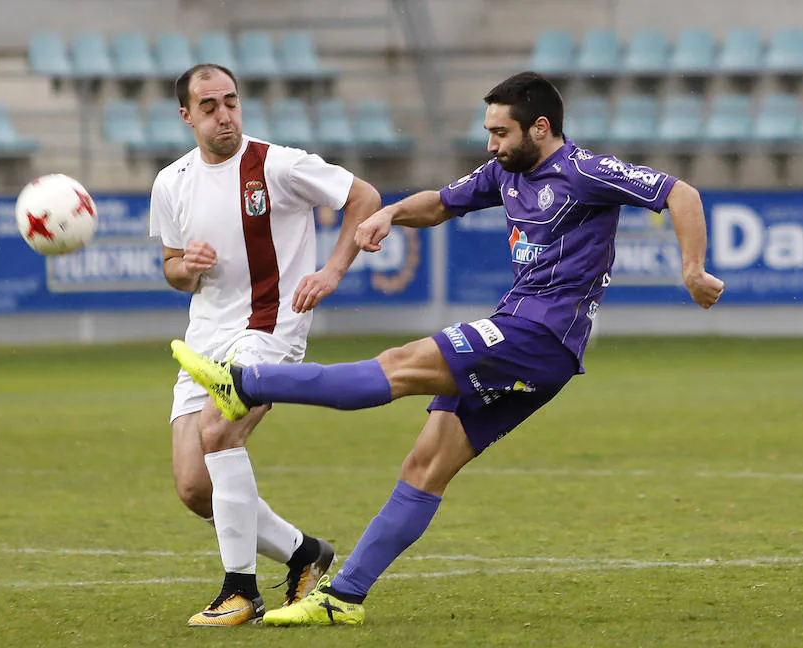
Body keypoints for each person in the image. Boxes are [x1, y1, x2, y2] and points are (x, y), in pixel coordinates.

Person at [171, 71, 725, 626]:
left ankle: (244, 383)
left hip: (537, 336)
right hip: (533, 345)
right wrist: (388, 212)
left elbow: (680, 193)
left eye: (501, 133)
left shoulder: (586, 171)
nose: (491, 144)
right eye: (488, 132)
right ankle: (343, 598)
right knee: (427, 463)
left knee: (392, 369)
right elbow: (440, 203)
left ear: (540, 127)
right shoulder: (506, 172)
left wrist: (693, 270)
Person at [149, 63, 381, 626]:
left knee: (219, 428)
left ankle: (240, 592)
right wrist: (187, 266)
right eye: (209, 106)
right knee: (192, 486)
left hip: (268, 329)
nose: (224, 114)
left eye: (231, 101)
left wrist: (332, 271)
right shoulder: (171, 182)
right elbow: (172, 269)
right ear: (186, 115)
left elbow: (364, 197)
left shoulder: (278, 164)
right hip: (203, 339)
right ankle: (305, 553)